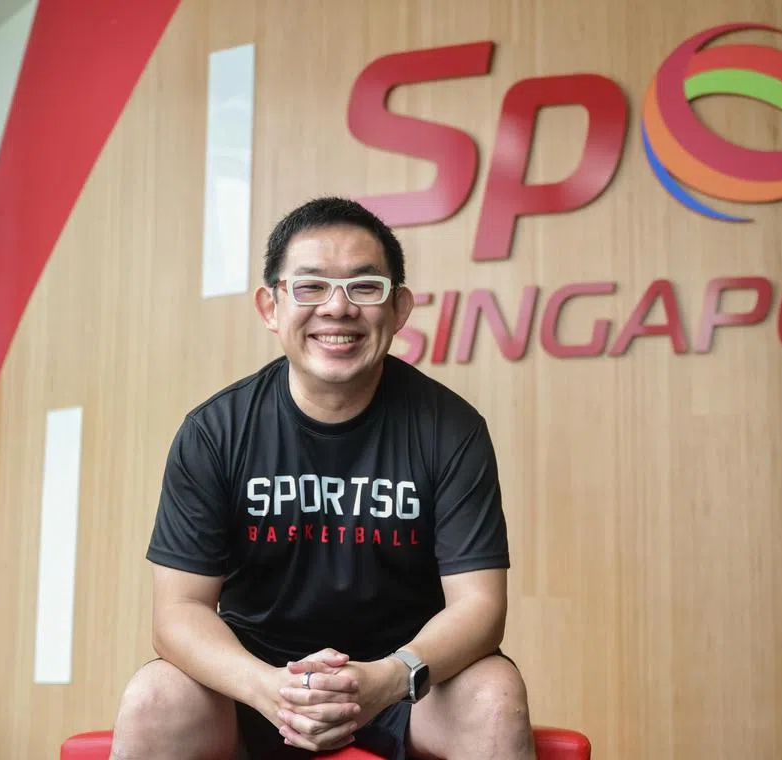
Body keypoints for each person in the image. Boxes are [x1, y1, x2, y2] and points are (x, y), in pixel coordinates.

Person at [108, 197, 535, 760]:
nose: (338, 308)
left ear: (400, 307)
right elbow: (177, 613)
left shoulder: (450, 430)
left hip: (405, 682)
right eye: (310, 287)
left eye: (365, 287)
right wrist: (269, 687)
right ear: (271, 305)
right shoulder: (215, 431)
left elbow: (480, 608)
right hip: (254, 684)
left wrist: (385, 679)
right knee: (152, 697)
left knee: (495, 696)